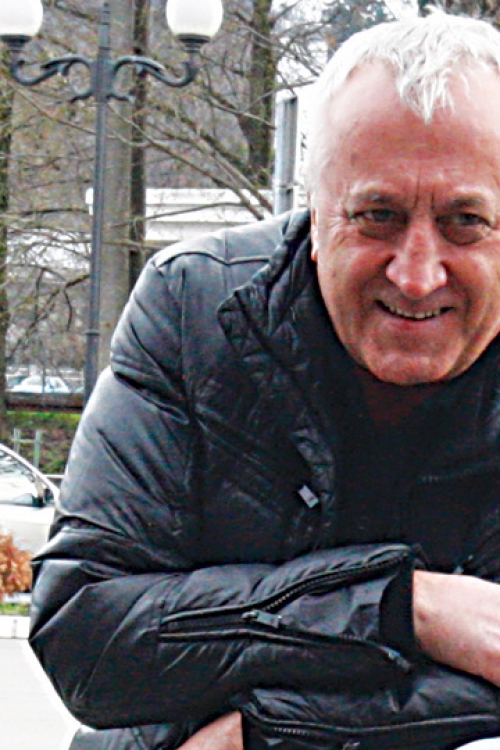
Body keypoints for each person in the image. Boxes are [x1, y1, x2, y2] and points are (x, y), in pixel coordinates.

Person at [29, 9, 500, 750]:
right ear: (313, 215)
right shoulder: (193, 309)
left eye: (465, 221)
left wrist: (262, 734)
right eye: (376, 215)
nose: (417, 275)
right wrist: (403, 607)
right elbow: (86, 637)